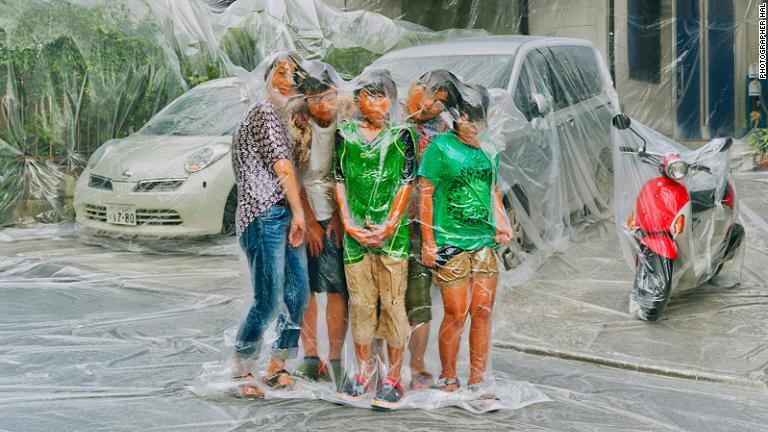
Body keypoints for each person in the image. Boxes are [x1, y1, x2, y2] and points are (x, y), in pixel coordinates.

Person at [418, 83, 513, 392]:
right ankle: (448, 374)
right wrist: (429, 242)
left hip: (483, 241)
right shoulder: (441, 148)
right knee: (457, 312)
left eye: (476, 118)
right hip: (450, 240)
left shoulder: (490, 148)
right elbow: (426, 195)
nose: (469, 124)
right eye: (464, 118)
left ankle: (477, 376)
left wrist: (501, 221)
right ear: (455, 118)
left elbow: (492, 190)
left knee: (482, 311)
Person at [334, 70, 416, 409]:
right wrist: (348, 224)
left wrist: (390, 225)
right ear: (357, 100)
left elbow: (406, 182)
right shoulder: (345, 133)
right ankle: (363, 372)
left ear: (392, 100)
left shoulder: (402, 135)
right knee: (362, 304)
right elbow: (338, 179)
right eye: (366, 95)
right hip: (355, 235)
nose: (373, 102)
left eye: (380, 95)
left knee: (394, 304)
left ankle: (394, 377)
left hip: (392, 238)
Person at [230, 51, 310, 398]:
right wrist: (300, 212)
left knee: (298, 293)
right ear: (266, 78)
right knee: (269, 299)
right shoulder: (263, 111)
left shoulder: (282, 119)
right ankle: (243, 369)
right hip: (264, 215)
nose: (287, 80)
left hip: (281, 215)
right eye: (280, 72)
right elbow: (282, 167)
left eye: (294, 75)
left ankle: (277, 366)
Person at [291, 61, 349, 388]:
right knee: (309, 289)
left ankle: (337, 359)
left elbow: (350, 173)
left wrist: (341, 217)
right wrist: (310, 220)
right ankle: (311, 357)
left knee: (337, 289)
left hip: (340, 211)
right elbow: (292, 174)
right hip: (304, 212)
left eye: (325, 96)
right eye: (313, 99)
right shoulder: (298, 124)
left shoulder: (348, 122)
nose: (320, 105)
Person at [402, 69, 461, 390]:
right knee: (399, 299)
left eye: (438, 102)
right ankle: (399, 365)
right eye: (424, 95)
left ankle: (422, 364)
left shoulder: (446, 132)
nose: (428, 105)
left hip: (437, 228)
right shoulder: (390, 123)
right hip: (396, 228)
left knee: (427, 301)